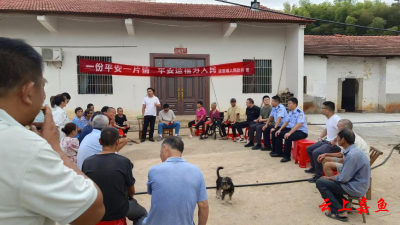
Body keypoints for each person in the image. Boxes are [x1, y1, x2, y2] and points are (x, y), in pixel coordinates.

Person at [0, 37, 104, 224]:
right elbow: (92, 210)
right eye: (43, 87)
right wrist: (54, 148)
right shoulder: (24, 146)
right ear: (28, 92)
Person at [83, 128, 148, 225]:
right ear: (118, 141)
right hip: (118, 210)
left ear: (100, 141)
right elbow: (131, 191)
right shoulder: (124, 162)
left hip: (95, 209)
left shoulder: (87, 162)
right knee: (142, 214)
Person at [143, 137, 209, 225]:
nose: (160, 154)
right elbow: (203, 205)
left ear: (165, 148)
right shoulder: (196, 171)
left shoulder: (154, 170)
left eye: (160, 151)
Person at [316, 128, 371, 222]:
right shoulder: (354, 150)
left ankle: (339, 212)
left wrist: (329, 178)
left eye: (338, 138)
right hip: (358, 184)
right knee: (328, 181)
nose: (336, 140)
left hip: (355, 187)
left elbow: (343, 178)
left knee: (321, 182)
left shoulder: (352, 155)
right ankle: (345, 204)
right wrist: (330, 178)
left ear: (343, 140)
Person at [306, 101, 341, 183]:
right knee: (309, 149)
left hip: (334, 145)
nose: (321, 110)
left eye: (322, 108)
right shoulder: (328, 118)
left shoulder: (337, 119)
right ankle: (314, 168)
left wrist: (335, 140)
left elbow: (342, 131)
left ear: (328, 110)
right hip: (327, 141)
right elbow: (327, 129)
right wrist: (321, 136)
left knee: (316, 152)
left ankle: (319, 175)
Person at [273, 97, 308, 162]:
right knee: (278, 134)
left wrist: (289, 133)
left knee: (288, 137)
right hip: (294, 130)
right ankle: (279, 152)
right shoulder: (291, 112)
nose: (288, 105)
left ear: (295, 104)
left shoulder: (300, 112)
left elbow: (299, 124)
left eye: (289, 103)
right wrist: (279, 129)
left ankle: (287, 157)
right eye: (288, 103)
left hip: (302, 132)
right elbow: (286, 122)